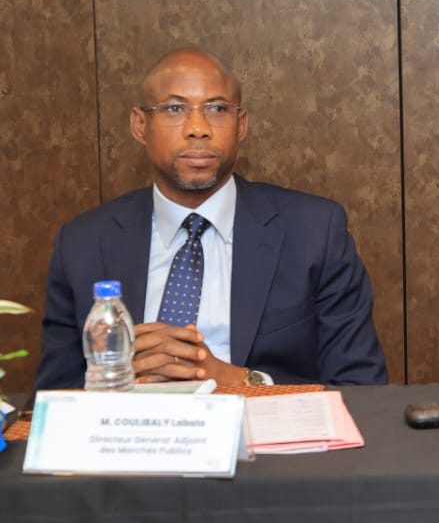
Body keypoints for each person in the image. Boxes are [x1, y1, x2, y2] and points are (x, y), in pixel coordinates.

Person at [35, 48, 387, 389]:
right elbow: (52, 399)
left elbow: (361, 390)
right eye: (175, 108)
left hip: (262, 427)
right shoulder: (83, 243)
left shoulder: (314, 233)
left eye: (217, 108)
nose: (198, 128)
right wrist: (121, 379)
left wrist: (240, 382)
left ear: (241, 125)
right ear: (140, 125)